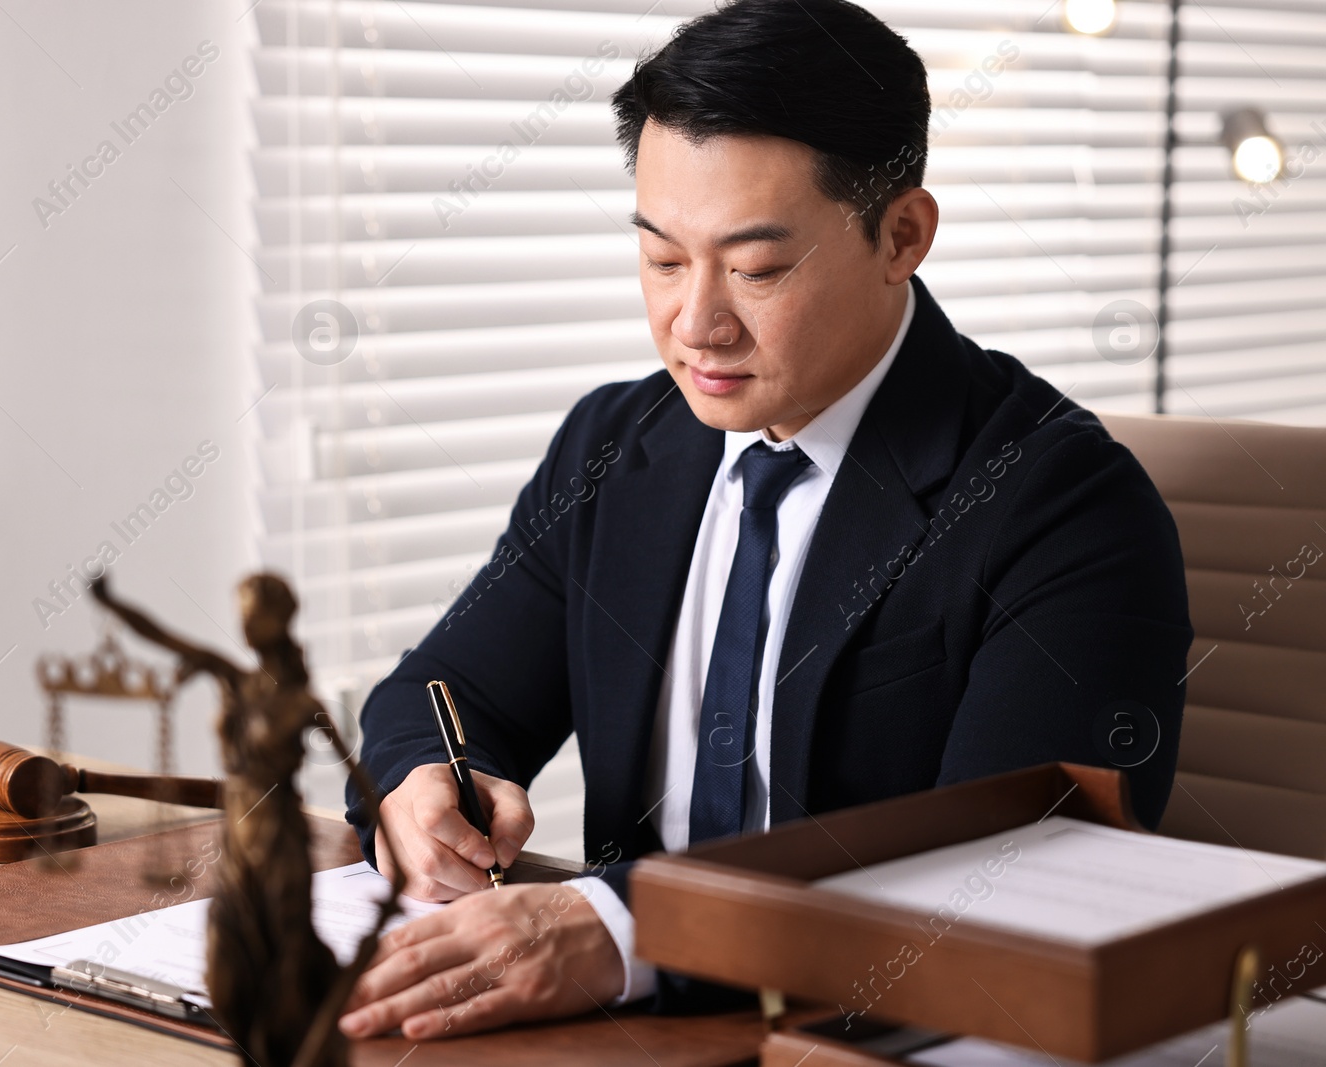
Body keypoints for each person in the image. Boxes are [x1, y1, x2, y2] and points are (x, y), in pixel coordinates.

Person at [337, 0, 1192, 1042]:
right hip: (628, 1039)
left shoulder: (1063, 504)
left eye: (755, 267)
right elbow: (442, 691)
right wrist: (421, 782)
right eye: (661, 258)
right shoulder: (615, 443)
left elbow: (1009, 881)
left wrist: (623, 928)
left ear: (901, 236)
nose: (694, 323)